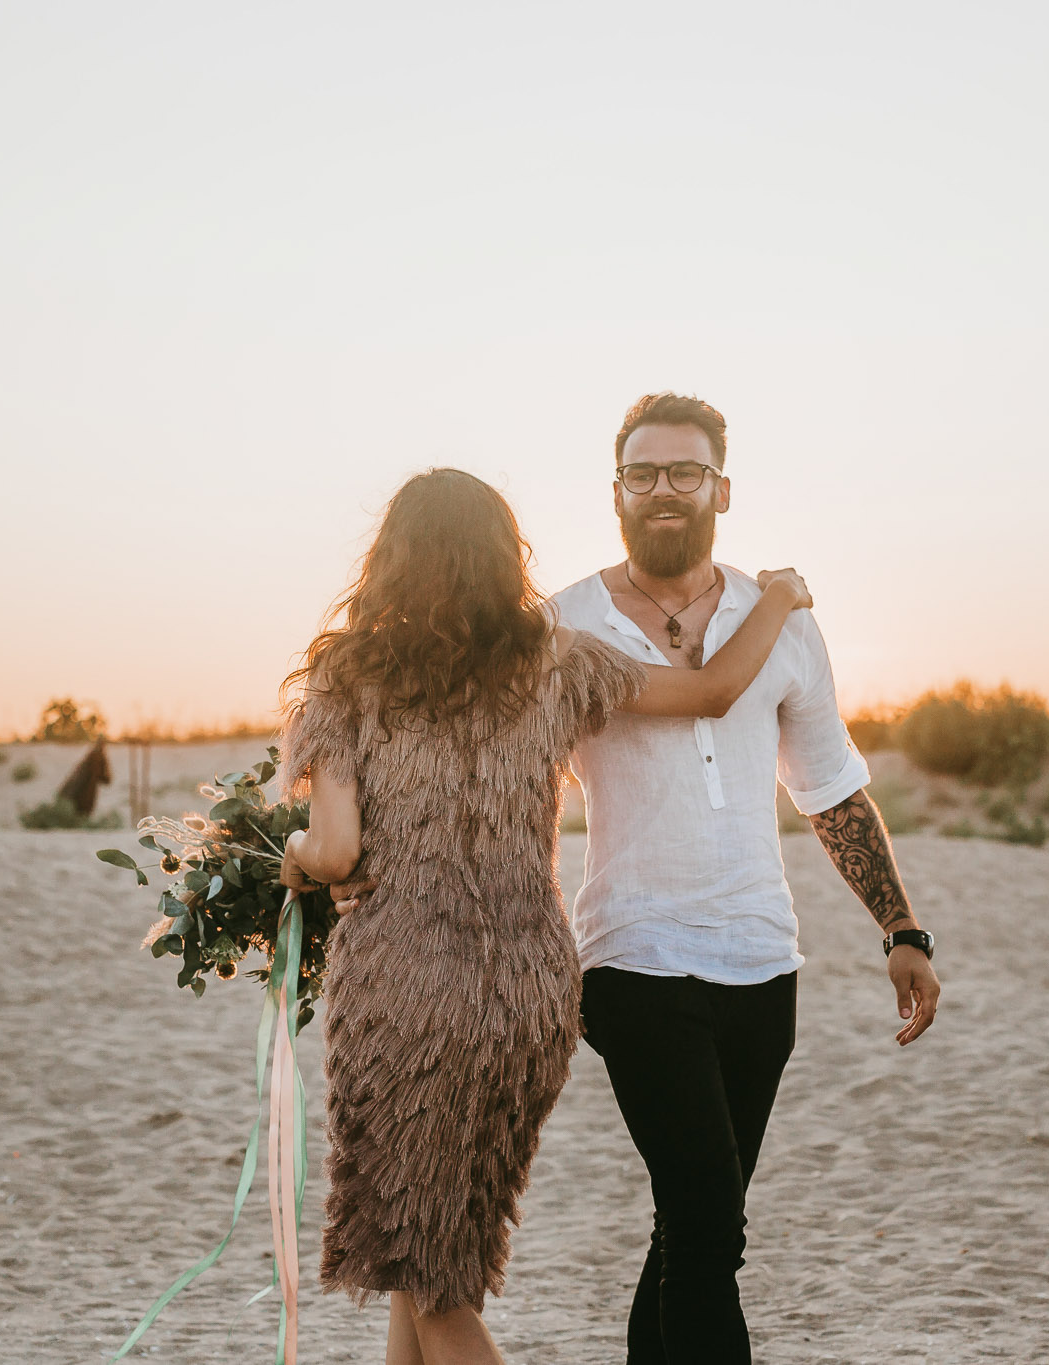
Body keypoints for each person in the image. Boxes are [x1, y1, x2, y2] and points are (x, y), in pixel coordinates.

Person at [274, 466, 814, 1365]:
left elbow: (333, 851)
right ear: (502, 555)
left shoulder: (350, 674)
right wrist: (781, 598)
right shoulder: (554, 660)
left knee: (431, 1277)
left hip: (406, 992)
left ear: (388, 560)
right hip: (528, 995)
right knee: (428, 1256)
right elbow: (712, 691)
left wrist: (291, 858)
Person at [550, 391, 943, 1364]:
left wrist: (900, 928)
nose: (663, 490)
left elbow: (832, 791)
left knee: (691, 1232)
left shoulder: (785, 630)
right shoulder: (563, 627)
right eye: (641, 474)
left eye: (684, 471)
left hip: (763, 967)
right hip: (630, 964)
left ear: (721, 487)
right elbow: (507, 792)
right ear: (613, 493)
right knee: (708, 1230)